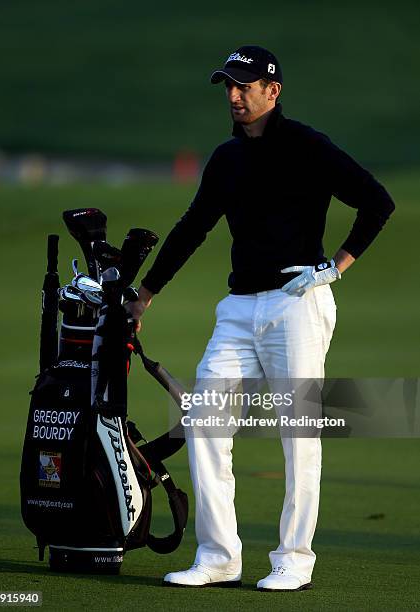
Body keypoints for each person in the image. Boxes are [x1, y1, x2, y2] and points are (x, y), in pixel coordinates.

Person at [128, 45, 395, 591]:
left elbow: (376, 202)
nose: (234, 96)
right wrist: (145, 294)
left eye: (244, 86)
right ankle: (220, 556)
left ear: (272, 91)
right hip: (238, 308)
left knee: (299, 436)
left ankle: (293, 560)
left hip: (298, 303)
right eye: (228, 86)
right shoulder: (227, 159)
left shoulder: (307, 146)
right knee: (205, 421)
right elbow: (193, 226)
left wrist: (333, 267)